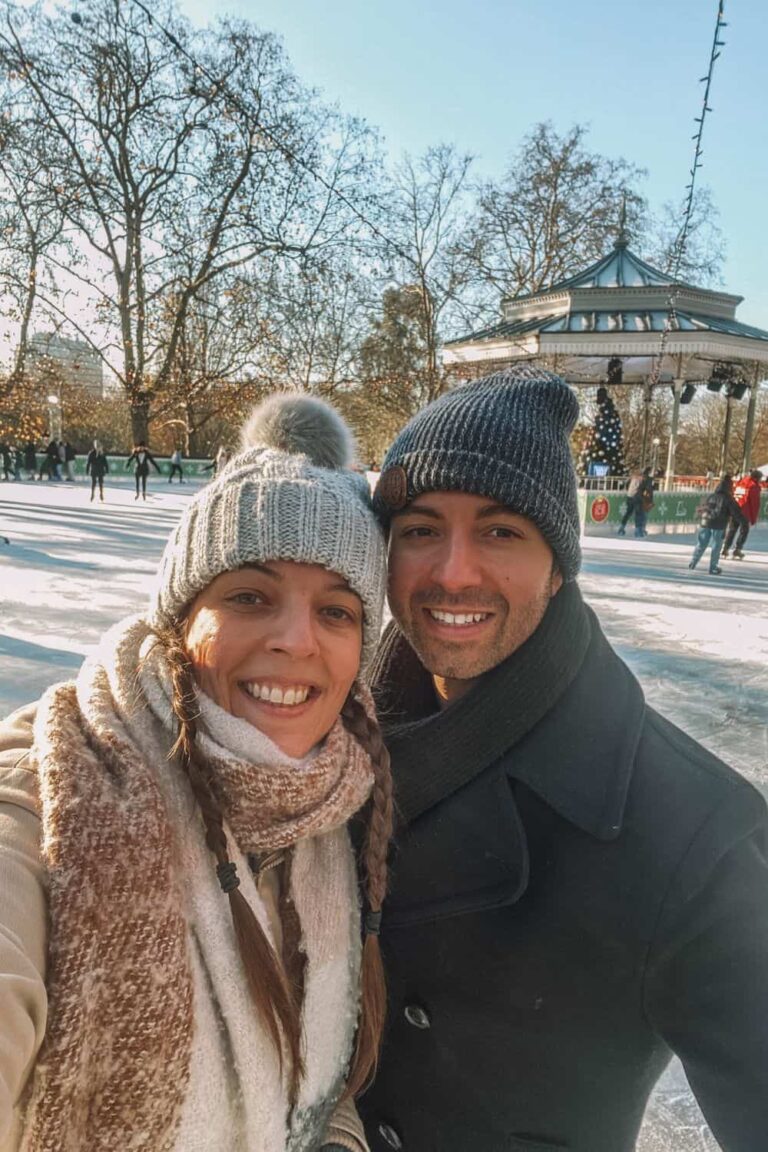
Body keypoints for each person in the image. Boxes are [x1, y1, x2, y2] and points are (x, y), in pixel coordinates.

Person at [357, 366, 768, 1152]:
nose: (452, 571)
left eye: (501, 530)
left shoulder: (694, 832)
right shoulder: (333, 746)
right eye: (419, 529)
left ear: (558, 563)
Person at [0, 394, 391, 1152]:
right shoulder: (63, 781)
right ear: (179, 622)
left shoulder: (335, 801)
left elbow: (305, 1079)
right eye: (249, 596)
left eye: (337, 611)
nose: (295, 640)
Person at [688, 474, 746, 575]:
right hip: (719, 524)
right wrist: (743, 522)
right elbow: (736, 512)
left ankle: (693, 562)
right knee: (716, 546)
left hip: (705, 522)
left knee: (701, 544)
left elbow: (704, 507)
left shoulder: (711, 496)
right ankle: (713, 567)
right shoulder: (728, 499)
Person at [722, 469, 763, 559]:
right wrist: (753, 517)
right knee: (744, 530)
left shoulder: (741, 483)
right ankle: (738, 549)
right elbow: (755, 503)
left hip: (735, 509)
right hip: (745, 511)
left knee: (732, 529)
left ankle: (725, 548)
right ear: (756, 478)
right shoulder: (753, 486)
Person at [617, 466, 654, 537]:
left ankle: (621, 528)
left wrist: (629, 490)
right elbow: (649, 489)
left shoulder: (634, 477)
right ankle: (638, 531)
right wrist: (650, 499)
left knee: (628, 512)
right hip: (638, 497)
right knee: (639, 514)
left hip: (630, 496)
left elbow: (627, 483)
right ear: (648, 472)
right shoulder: (646, 479)